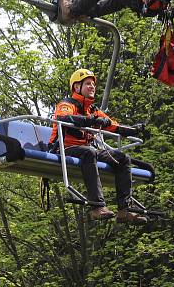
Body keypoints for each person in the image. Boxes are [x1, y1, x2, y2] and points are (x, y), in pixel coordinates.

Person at [48, 68, 148, 224]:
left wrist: (134, 130)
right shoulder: (67, 104)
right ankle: (97, 207)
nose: (92, 87)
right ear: (77, 87)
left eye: (93, 84)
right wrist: (91, 121)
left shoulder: (92, 110)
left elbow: (114, 126)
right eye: (88, 84)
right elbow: (64, 117)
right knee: (89, 152)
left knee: (123, 158)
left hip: (89, 150)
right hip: (66, 148)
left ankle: (124, 210)